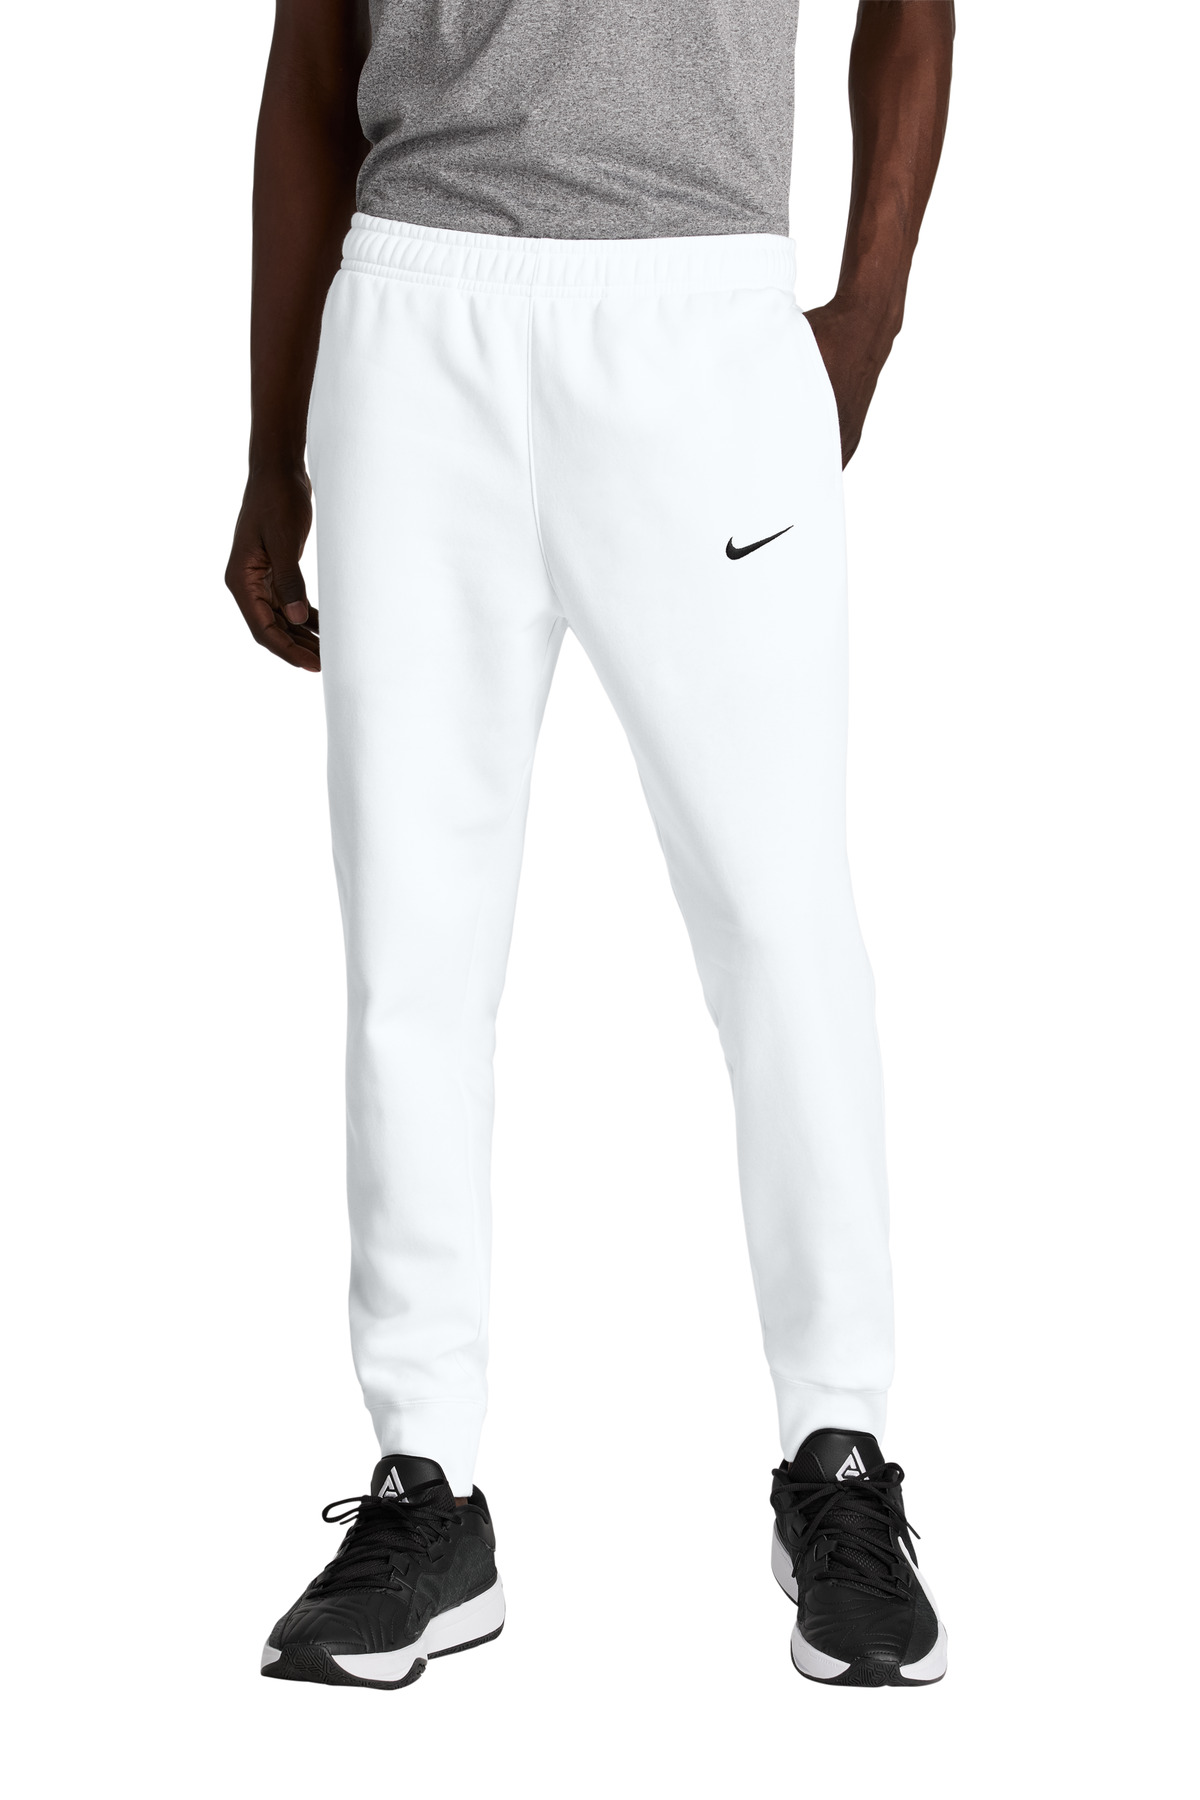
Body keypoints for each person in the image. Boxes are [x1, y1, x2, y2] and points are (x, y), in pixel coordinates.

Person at [227, 0, 955, 1691]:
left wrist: (870, 312)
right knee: (412, 953)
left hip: (700, 318)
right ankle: (425, 1485)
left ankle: (840, 1454)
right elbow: (313, 60)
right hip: (417, 318)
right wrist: (273, 449)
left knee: (781, 927)